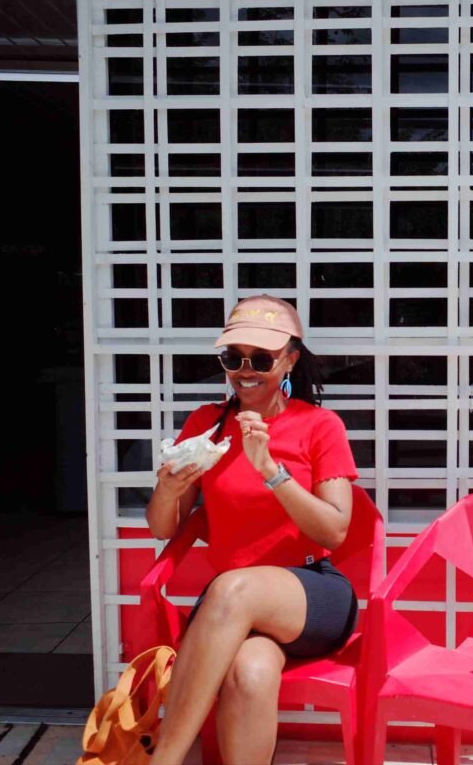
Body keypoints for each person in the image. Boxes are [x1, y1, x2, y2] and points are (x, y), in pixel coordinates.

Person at [145, 295, 359, 765]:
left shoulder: (319, 426)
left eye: (261, 358)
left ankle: (162, 759)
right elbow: (165, 526)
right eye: (232, 357)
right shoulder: (206, 424)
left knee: (233, 587)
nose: (246, 369)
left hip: (309, 595)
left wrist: (272, 472)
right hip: (232, 607)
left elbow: (334, 532)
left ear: (289, 359)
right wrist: (167, 488)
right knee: (250, 673)